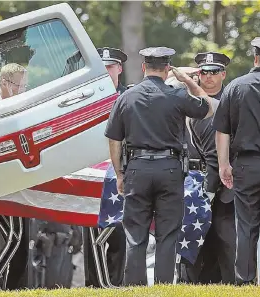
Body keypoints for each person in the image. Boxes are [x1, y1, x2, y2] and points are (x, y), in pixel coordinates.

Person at [104, 46, 214, 286]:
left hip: (137, 169)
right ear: (167, 69)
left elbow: (114, 138)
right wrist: (188, 81)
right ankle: (163, 286)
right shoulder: (177, 95)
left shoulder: (126, 97)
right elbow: (208, 108)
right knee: (168, 233)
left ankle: (134, 287)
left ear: (143, 68)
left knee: (135, 233)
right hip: (169, 169)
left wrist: (119, 174)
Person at [213, 36, 260, 285]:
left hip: (246, 164)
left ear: (255, 58)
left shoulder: (235, 87)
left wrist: (224, 164)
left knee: (245, 225)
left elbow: (222, 130)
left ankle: (244, 280)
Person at [181, 52, 235, 285]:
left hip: (225, 184)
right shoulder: (184, 100)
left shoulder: (233, 99)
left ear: (223, 74)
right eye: (203, 72)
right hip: (192, 180)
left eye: (215, 72)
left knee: (225, 241)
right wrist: (187, 77)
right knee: (192, 241)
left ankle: (232, 285)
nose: (209, 77)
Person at [83, 47, 129, 288]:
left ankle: (116, 283)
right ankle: (93, 284)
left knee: (119, 234)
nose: (105, 71)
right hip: (92, 175)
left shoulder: (129, 97)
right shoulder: (85, 100)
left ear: (119, 69)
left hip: (119, 175)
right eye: (101, 67)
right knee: (91, 234)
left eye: (110, 66)